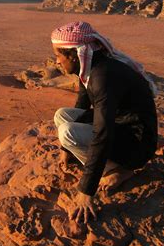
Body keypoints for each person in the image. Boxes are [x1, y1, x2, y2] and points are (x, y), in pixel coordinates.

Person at [51, 21, 158, 224]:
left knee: (67, 131)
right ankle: (105, 161)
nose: (56, 62)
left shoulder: (103, 76)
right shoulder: (92, 65)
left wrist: (86, 191)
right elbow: (83, 102)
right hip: (122, 126)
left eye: (58, 56)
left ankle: (118, 169)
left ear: (73, 55)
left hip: (136, 142)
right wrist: (66, 149)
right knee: (62, 115)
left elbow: (103, 133)